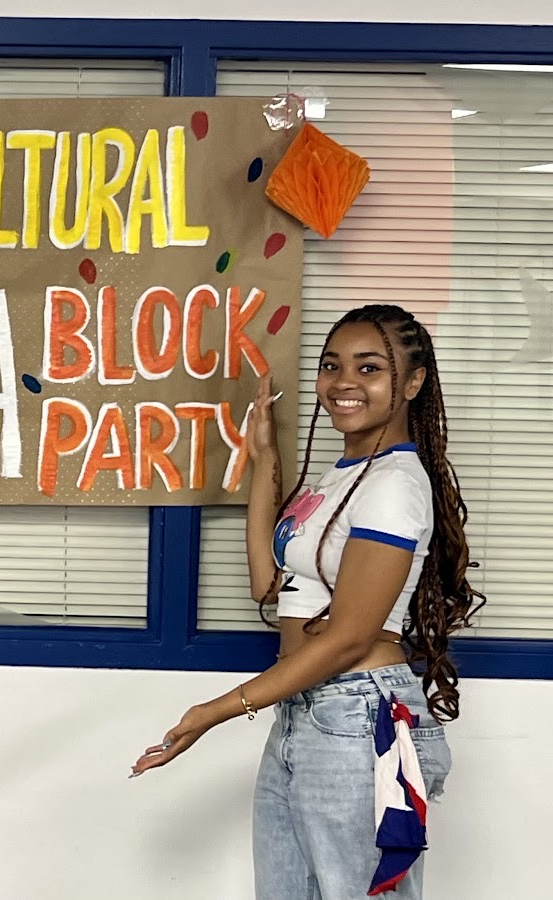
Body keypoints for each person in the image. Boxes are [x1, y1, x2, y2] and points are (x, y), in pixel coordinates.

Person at [130, 304, 483, 898]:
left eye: (369, 368)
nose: (344, 382)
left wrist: (214, 712)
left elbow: (349, 637)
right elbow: (270, 587)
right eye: (331, 365)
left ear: (413, 383)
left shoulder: (395, 484)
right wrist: (265, 458)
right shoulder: (341, 476)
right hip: (307, 710)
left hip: (359, 716)